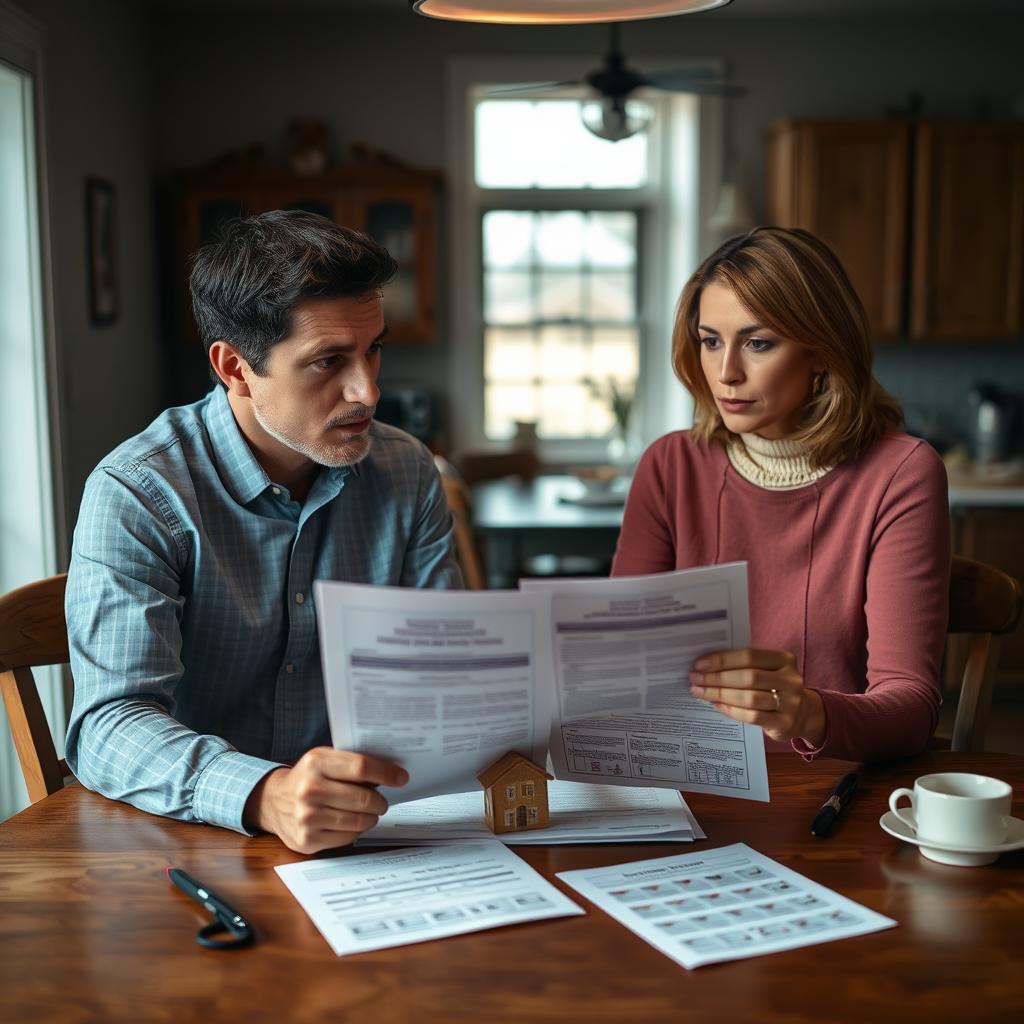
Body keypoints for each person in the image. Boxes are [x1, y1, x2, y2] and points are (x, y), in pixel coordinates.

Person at [65, 210, 462, 853]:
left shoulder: (406, 468)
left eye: (374, 348)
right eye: (329, 360)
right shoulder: (138, 492)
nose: (368, 389)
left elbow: (443, 667)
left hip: (378, 832)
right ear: (236, 368)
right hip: (195, 842)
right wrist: (265, 793)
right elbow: (109, 725)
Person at [613, 226, 950, 762]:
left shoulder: (901, 472)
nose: (726, 373)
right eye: (710, 341)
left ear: (822, 352)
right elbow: (620, 662)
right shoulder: (670, 465)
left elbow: (911, 709)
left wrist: (808, 712)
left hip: (826, 793)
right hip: (685, 778)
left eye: (759, 342)